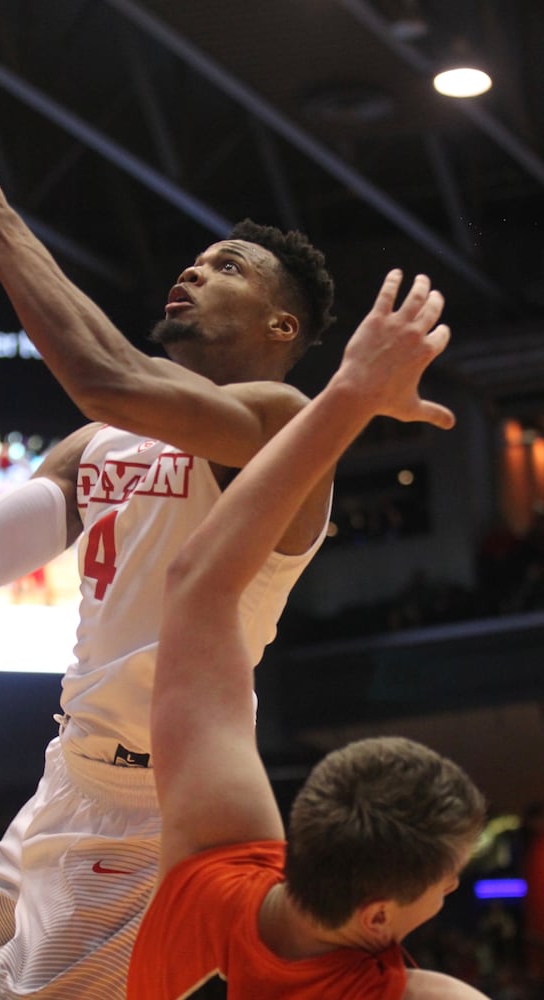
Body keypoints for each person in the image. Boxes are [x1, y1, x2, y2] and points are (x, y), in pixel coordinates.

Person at [0, 109, 339, 999]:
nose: (195, 268)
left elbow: (102, 372)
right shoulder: (97, 447)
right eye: (195, 259)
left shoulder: (284, 429)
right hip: (63, 784)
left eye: (228, 267)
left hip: (157, 813)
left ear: (283, 328)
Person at [127, 268, 490, 998]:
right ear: (379, 917)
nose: (455, 881)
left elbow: (197, 583)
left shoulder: (209, 870)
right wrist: (350, 398)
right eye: (450, 875)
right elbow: (198, 585)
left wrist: (349, 395)